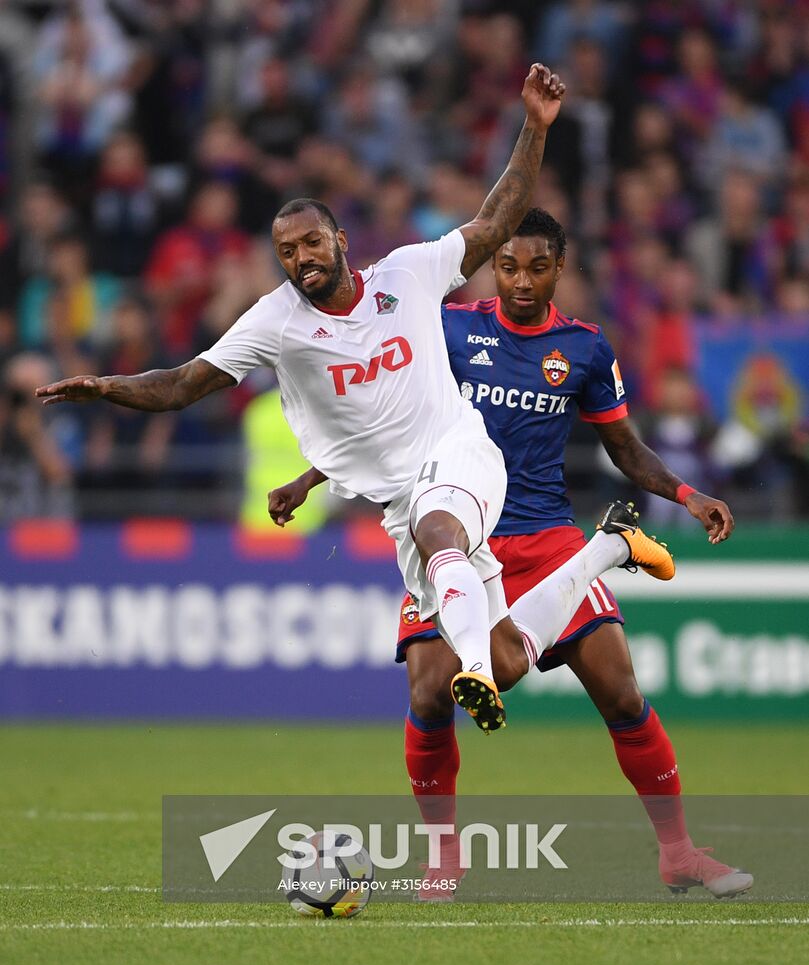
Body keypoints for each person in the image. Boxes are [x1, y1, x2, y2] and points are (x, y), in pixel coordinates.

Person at [36, 64, 672, 740]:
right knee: (514, 655)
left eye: (311, 242)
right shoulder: (274, 320)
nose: (301, 258)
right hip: (401, 499)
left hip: (462, 456)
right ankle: (607, 551)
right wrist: (107, 387)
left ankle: (475, 672)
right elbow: (184, 383)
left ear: (339, 241)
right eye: (287, 251)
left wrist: (533, 129)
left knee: (441, 540)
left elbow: (494, 221)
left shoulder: (408, 273)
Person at [268, 209, 751, 902]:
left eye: (537, 267)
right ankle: (444, 860)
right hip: (455, 530)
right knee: (430, 693)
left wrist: (686, 492)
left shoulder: (583, 349)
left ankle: (677, 853)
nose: (521, 281)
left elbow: (624, 448)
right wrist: (309, 479)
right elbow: (382, 416)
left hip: (546, 534)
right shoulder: (452, 328)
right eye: (508, 266)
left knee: (620, 691)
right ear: (492, 268)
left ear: (560, 267)